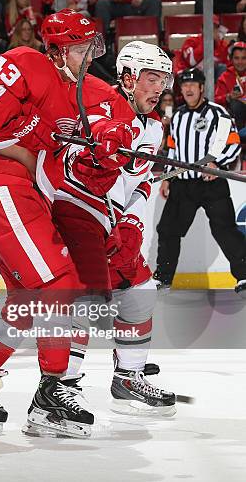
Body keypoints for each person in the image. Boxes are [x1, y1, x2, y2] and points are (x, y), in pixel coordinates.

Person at [0, 9, 117, 438]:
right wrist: (31, 123)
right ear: (58, 49)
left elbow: (68, 163)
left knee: (26, 304)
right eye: (80, 49)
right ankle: (51, 394)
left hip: (25, 196)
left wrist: (102, 153)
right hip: (1, 185)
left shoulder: (75, 95)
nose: (88, 57)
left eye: (90, 48)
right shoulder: (30, 61)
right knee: (60, 285)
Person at [52, 41, 177, 417]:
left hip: (112, 223)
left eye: (163, 80)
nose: (159, 88)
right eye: (151, 78)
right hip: (77, 218)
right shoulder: (97, 108)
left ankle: (127, 377)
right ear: (127, 78)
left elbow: (141, 182)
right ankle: (60, 386)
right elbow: (72, 167)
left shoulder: (152, 128)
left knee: (140, 288)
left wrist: (132, 222)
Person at [153, 68, 246, 298]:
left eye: (193, 85)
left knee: (225, 230)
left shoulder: (219, 113)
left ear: (202, 88)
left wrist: (217, 163)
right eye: (184, 85)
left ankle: (244, 274)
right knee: (167, 230)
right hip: (183, 185)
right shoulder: (178, 116)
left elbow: (233, 144)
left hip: (211, 184)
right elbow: (172, 149)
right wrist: (168, 177)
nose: (188, 89)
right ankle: (163, 278)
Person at [173, 15, 229, 81]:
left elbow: (226, 66)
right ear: (202, 29)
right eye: (208, 28)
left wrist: (217, 43)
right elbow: (192, 62)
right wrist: (207, 41)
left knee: (222, 68)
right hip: (189, 74)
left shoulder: (222, 45)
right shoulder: (191, 42)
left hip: (210, 77)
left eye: (214, 28)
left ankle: (219, 91)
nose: (211, 31)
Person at [94, 0, 162, 40]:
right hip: (115, 6)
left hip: (138, 6)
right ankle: (103, 42)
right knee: (102, 3)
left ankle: (153, 39)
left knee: (154, 1)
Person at [214, 42, 245, 139]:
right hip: (234, 118)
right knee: (235, 105)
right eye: (237, 58)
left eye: (244, 58)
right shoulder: (225, 77)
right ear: (231, 59)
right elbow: (215, 100)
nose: (240, 62)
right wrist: (228, 97)